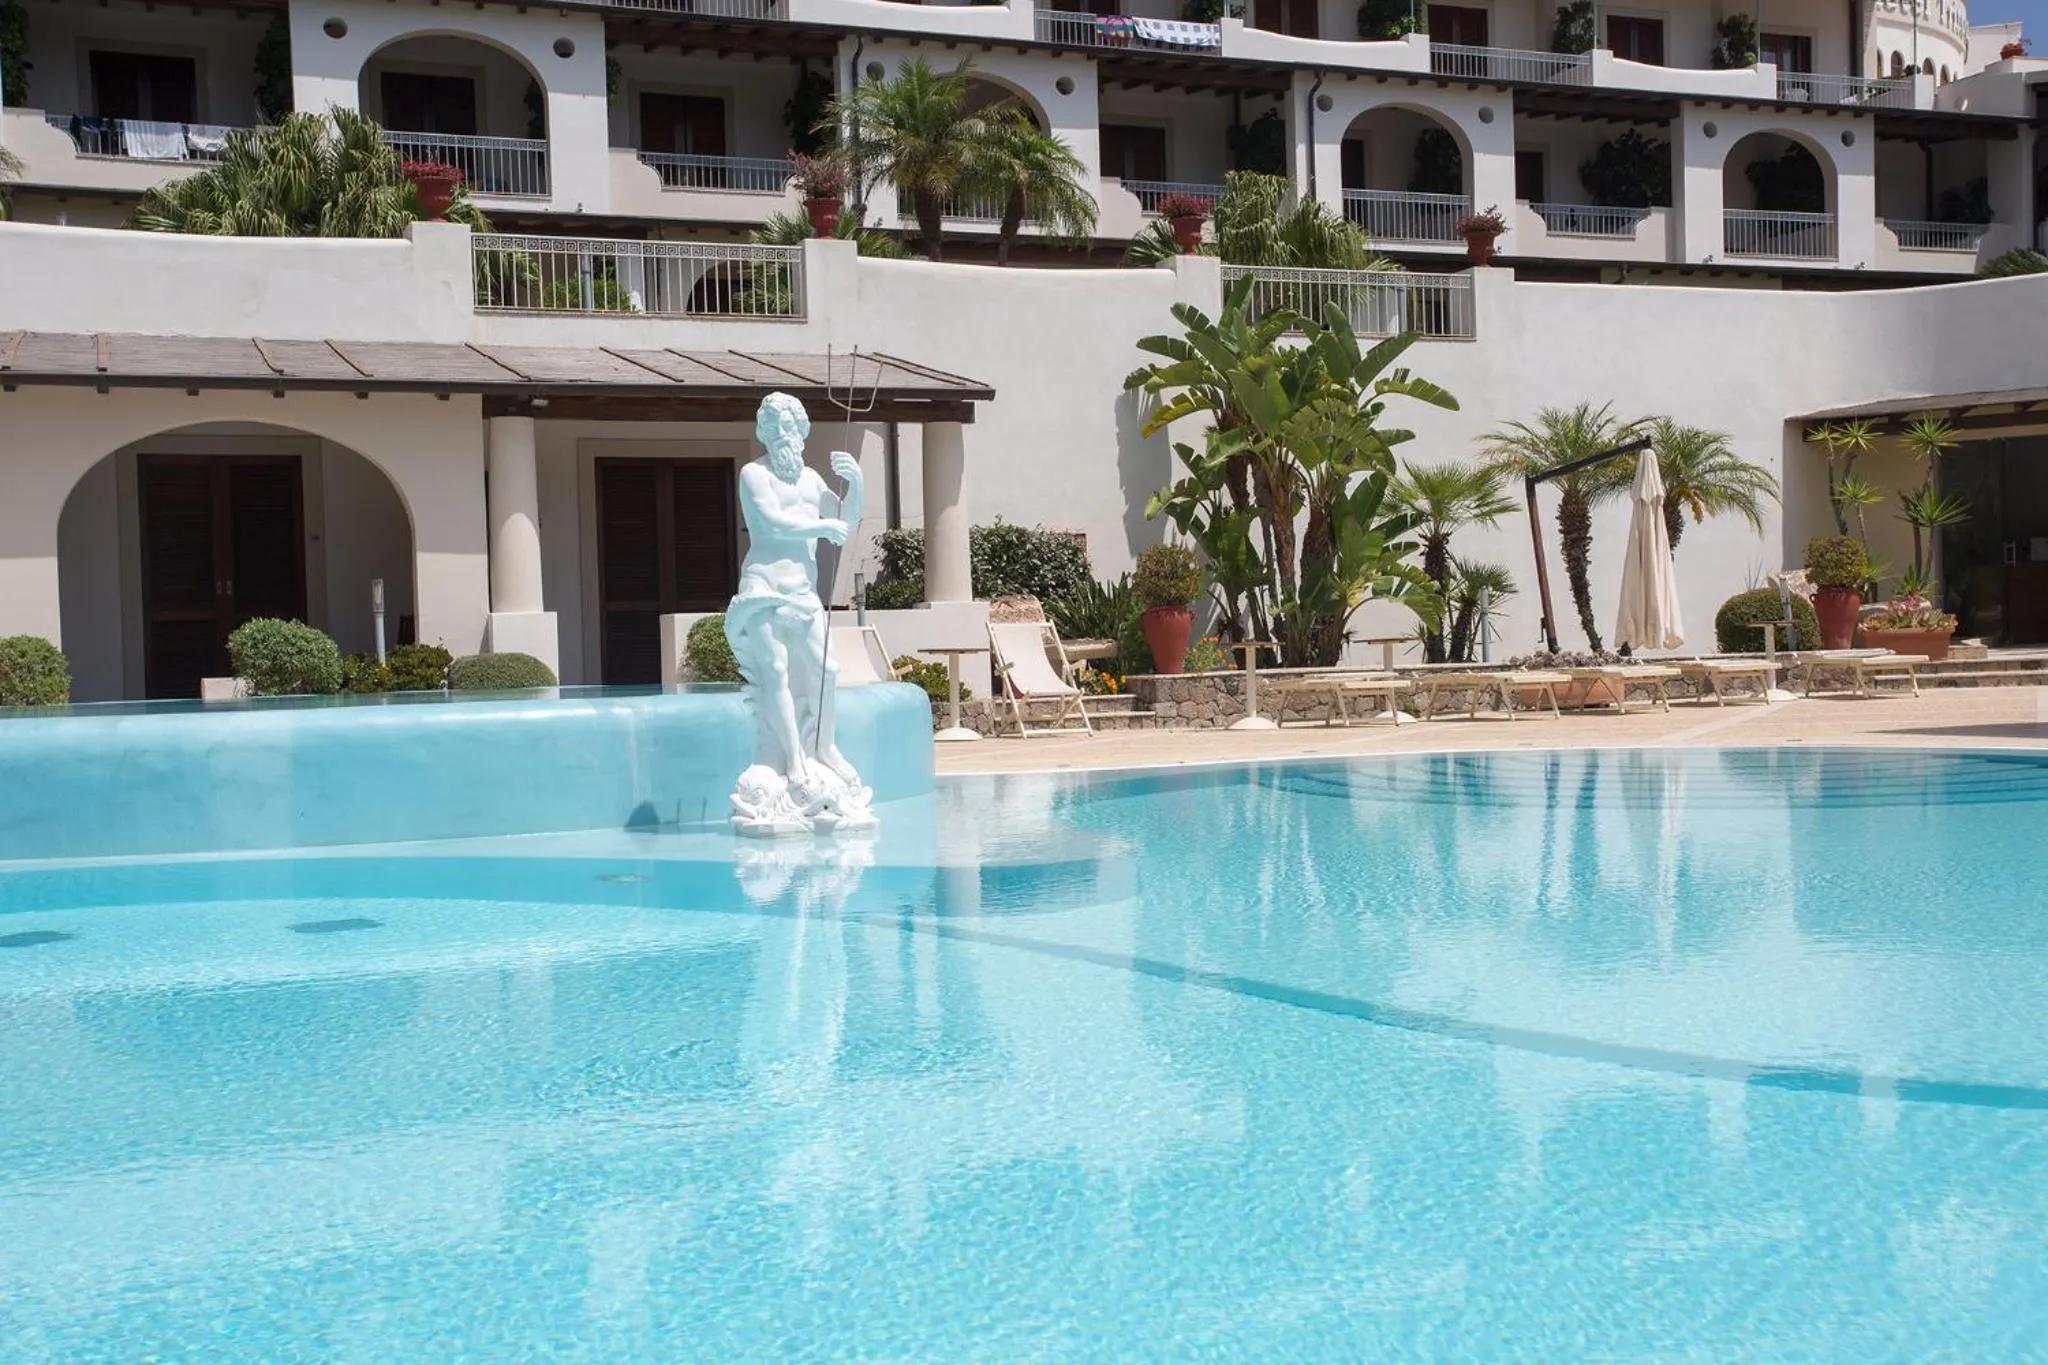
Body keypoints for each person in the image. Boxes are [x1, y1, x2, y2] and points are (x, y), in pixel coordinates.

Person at [724, 392, 873, 830]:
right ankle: (792, 760)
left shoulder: (810, 480)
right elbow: (769, 523)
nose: (786, 433)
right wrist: (821, 526)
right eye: (777, 426)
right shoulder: (753, 475)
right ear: (766, 433)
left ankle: (823, 747)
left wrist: (858, 484)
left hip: (803, 591)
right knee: (775, 669)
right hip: (764, 585)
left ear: (802, 431)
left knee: (826, 670)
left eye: (793, 425)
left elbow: (844, 523)